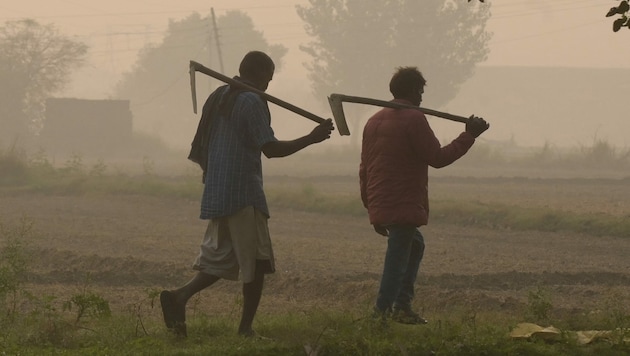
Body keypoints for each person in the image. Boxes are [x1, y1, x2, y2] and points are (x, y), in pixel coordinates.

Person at [160, 51, 334, 338]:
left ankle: (179, 297)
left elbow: (204, 144)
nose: (269, 83)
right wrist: (311, 138)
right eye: (269, 76)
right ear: (259, 72)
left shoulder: (218, 95)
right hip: (243, 192)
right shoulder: (252, 100)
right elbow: (271, 149)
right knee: (256, 261)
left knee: (222, 259)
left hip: (218, 189)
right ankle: (245, 329)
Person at [360, 66, 489, 324]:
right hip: (403, 200)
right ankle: (382, 314)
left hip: (380, 198)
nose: (421, 97)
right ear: (410, 90)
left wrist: (371, 207)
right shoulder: (413, 119)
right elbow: (437, 158)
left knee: (414, 245)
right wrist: (469, 135)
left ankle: (401, 307)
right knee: (397, 258)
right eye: (419, 91)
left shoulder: (374, 120)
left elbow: (365, 167)